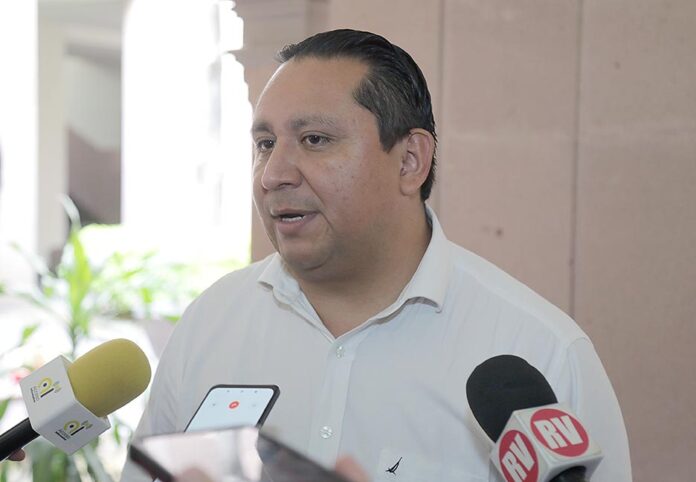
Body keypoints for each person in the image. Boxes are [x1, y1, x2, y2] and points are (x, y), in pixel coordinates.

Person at [120, 29, 631, 481]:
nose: (273, 174)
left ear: (409, 161)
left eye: (314, 139)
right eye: (265, 143)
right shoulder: (209, 325)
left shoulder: (542, 355)